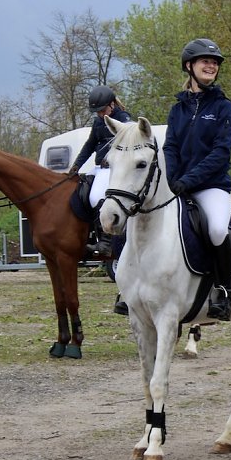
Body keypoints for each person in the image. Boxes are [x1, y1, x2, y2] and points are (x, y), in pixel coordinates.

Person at [163, 38, 231, 321]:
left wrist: (189, 180)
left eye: (215, 62)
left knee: (218, 230)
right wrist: (171, 179)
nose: (211, 65)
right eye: (205, 61)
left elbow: (220, 154)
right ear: (189, 66)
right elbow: (170, 147)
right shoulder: (177, 109)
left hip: (211, 187)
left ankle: (223, 291)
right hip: (178, 185)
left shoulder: (223, 107)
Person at [69, 85, 133, 315]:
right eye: (96, 112)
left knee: (98, 196)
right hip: (99, 167)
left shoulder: (124, 120)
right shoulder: (99, 122)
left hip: (114, 169)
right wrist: (76, 165)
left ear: (112, 105)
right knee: (82, 194)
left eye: (101, 110)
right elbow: (89, 145)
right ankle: (87, 234)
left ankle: (106, 240)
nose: (99, 115)